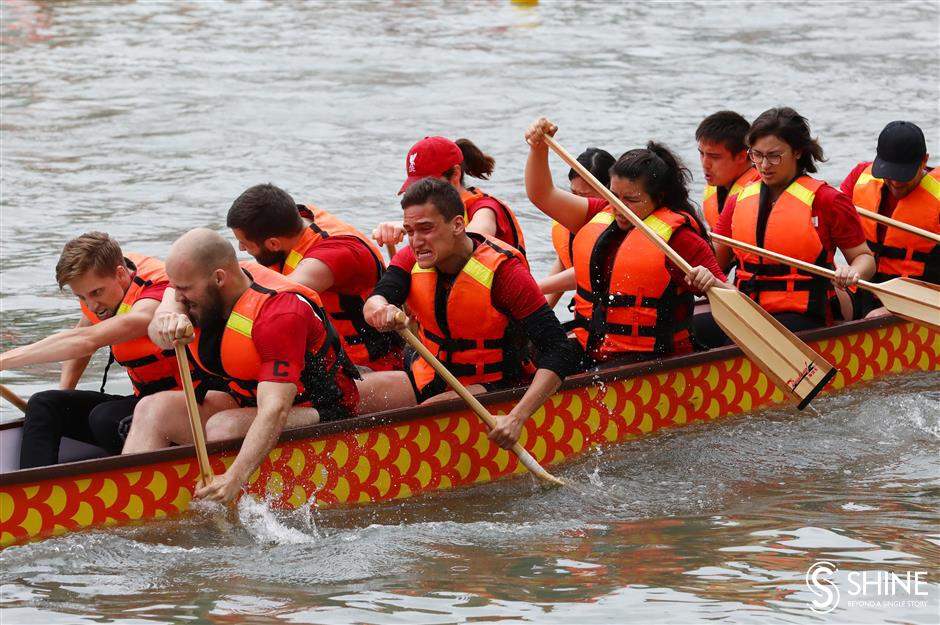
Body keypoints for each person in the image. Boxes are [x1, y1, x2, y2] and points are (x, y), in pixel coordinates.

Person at [122, 229, 360, 504]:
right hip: (245, 399)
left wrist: (235, 477)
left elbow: (275, 409)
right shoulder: (200, 284)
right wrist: (165, 321)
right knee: (153, 408)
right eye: (175, 287)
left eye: (184, 289)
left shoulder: (280, 314)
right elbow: (161, 318)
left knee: (223, 426)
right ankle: (133, 503)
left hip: (320, 409)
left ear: (219, 279)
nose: (178, 295)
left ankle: (225, 495)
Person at [362, 177, 580, 448]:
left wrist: (517, 418)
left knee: (421, 417)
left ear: (457, 225)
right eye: (409, 231)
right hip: (431, 373)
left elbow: (558, 349)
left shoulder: (505, 274)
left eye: (426, 229)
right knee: (354, 396)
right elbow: (375, 300)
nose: (416, 242)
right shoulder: (411, 259)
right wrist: (380, 309)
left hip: (495, 383)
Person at [524, 118, 728, 365]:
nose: (620, 208)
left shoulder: (680, 239)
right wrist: (538, 148)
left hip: (650, 358)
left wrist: (712, 281)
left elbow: (731, 301)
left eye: (631, 199)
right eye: (614, 196)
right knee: (529, 354)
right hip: (592, 344)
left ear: (659, 197)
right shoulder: (604, 212)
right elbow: (541, 194)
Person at [0, 232, 180, 468]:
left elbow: (86, 340)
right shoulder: (99, 293)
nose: (92, 306)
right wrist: (64, 398)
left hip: (185, 410)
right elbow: (81, 340)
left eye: (96, 293)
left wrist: (4, 361)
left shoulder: (158, 294)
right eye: (82, 297)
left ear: (120, 274)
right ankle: (31, 493)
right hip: (143, 401)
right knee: (44, 403)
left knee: (104, 418)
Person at [699, 107, 876, 347]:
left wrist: (854, 272)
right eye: (757, 155)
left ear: (797, 152)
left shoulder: (828, 200)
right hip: (748, 304)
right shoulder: (738, 200)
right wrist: (701, 274)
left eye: (774, 155)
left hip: (804, 312)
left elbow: (864, 258)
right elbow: (714, 262)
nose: (764, 165)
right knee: (691, 331)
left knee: (749, 336)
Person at [226, 183, 403, 371]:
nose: (241, 249)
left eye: (244, 243)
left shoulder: (336, 253)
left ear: (273, 244)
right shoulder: (291, 222)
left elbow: (278, 297)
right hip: (332, 360)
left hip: (374, 366)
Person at [841, 121, 938, 316]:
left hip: (922, 303)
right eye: (889, 173)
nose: (895, 183)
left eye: (903, 175)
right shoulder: (859, 178)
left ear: (924, 161)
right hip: (864, 294)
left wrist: (896, 310)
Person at [372, 136, 527, 255]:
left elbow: (466, 244)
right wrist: (390, 243)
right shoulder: (427, 221)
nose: (421, 192)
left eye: (428, 184)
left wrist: (410, 227)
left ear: (455, 174)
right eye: (416, 186)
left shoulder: (485, 210)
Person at [540, 147, 616, 309]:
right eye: (573, 193)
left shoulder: (621, 226)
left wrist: (531, 288)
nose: (575, 201)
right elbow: (564, 259)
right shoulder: (567, 224)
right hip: (586, 320)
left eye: (585, 196)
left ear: (612, 190)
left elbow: (585, 270)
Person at [695, 110, 760, 230]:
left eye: (714, 157)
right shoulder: (715, 187)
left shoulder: (761, 197)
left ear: (742, 156)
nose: (705, 164)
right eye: (702, 154)